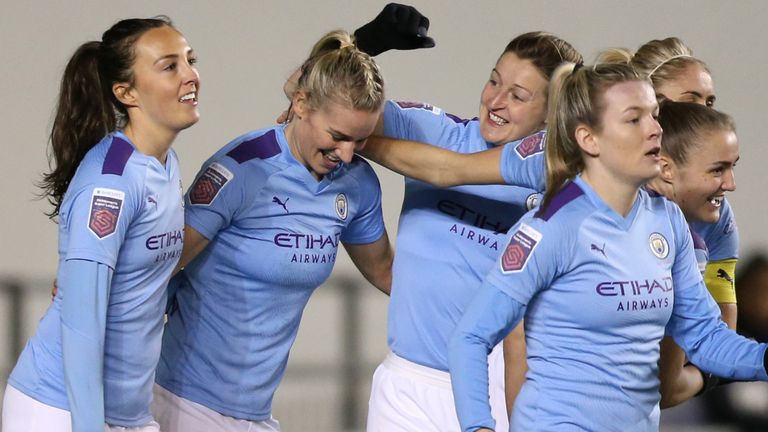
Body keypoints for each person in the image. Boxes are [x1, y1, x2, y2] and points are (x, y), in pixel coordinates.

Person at [358, 36, 738, 409]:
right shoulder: (552, 159)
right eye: (678, 105)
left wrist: (712, 374)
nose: (496, 99)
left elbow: (672, 380)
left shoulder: (703, 222)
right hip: (437, 383)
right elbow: (445, 168)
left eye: (708, 103)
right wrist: (357, 60)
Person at [448, 59, 768, 432]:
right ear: (589, 139)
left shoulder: (666, 220)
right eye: (635, 119)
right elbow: (470, 336)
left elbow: (705, 336)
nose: (655, 131)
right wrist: (478, 427)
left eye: (654, 115)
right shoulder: (550, 228)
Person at [348, 7, 582, 429]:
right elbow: (315, 100)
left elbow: (445, 171)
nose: (495, 101)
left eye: (518, 95)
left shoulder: (561, 179)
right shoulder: (437, 132)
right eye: (494, 80)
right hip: (405, 385)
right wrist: (357, 48)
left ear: (552, 113)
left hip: (499, 384)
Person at [150, 30, 393, 432]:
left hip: (255, 415)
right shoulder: (243, 168)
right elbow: (163, 262)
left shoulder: (358, 183)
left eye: (360, 140)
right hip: (181, 403)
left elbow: (387, 272)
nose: (347, 153)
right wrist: (88, 283)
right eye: (337, 136)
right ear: (300, 104)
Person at [3, 16, 199, 432]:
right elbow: (80, 328)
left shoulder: (165, 165)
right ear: (125, 92)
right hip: (59, 410)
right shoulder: (109, 183)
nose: (191, 76)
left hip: (129, 414)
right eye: (170, 66)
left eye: (189, 60)